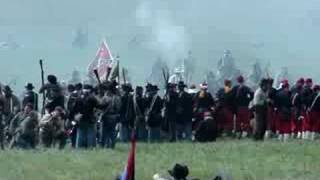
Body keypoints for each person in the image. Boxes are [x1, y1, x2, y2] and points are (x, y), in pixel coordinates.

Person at [73, 84, 99, 148]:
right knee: (90, 133)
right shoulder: (92, 98)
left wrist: (76, 116)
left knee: (80, 133)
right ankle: (90, 146)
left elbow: (74, 108)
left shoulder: (78, 98)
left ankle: (78, 147)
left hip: (80, 118)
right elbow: (99, 106)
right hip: (89, 118)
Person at [100, 81, 121, 148]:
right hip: (114, 117)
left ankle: (103, 145)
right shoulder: (117, 98)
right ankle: (112, 145)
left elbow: (101, 108)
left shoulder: (104, 98)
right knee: (112, 132)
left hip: (106, 116)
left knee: (104, 133)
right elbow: (119, 108)